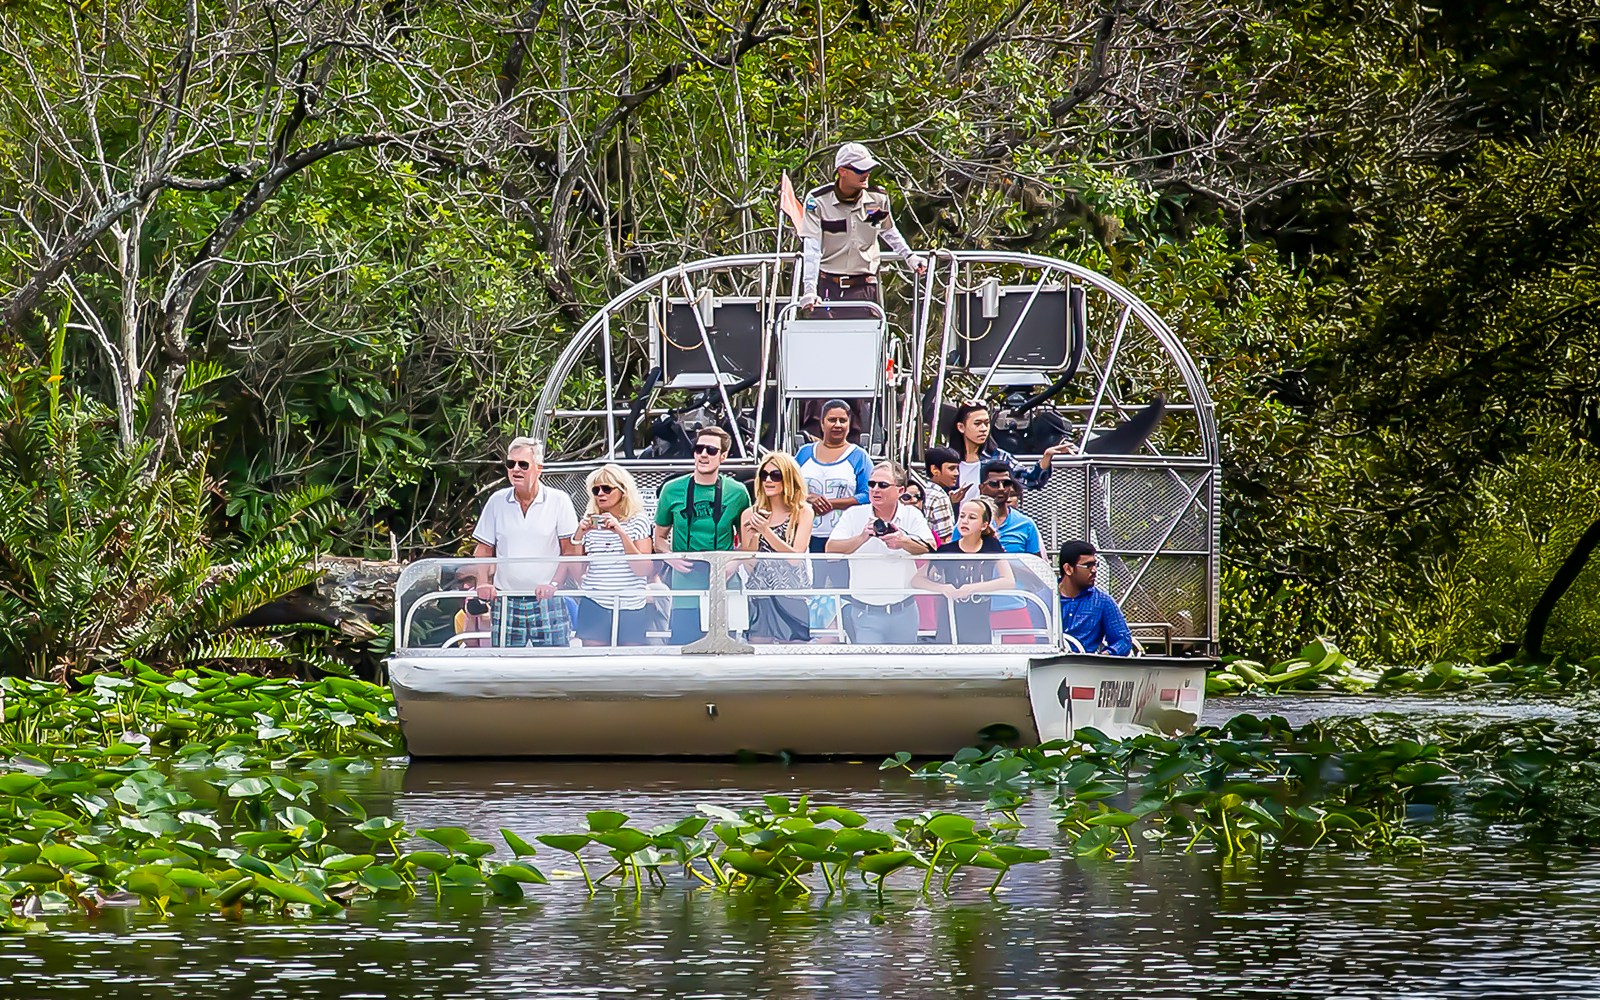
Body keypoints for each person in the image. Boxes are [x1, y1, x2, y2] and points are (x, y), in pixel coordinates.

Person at [797, 142, 928, 317]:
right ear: (842, 171)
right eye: (860, 170)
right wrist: (810, 290)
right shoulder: (818, 201)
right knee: (825, 338)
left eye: (869, 169)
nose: (866, 174)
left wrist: (909, 256)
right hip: (827, 285)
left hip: (863, 285)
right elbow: (812, 247)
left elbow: (887, 230)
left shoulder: (877, 198)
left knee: (863, 337)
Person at [470, 438, 579, 646]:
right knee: (506, 666)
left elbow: (569, 551)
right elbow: (483, 549)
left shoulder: (559, 500)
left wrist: (554, 584)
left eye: (523, 464)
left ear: (539, 469)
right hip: (506, 599)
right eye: (511, 464)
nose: (515, 469)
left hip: (548, 599)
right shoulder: (496, 501)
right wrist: (483, 582)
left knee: (553, 665)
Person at [653, 427, 752, 644]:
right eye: (699, 449)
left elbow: (748, 542)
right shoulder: (672, 489)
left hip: (724, 582)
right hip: (685, 583)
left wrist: (733, 563)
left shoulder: (737, 492)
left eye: (711, 450)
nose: (703, 454)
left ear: (723, 456)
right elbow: (658, 537)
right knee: (685, 649)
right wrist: (670, 557)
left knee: (728, 651)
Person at [826, 461, 935, 643]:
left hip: (904, 610)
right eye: (871, 484)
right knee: (870, 669)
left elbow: (930, 547)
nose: (875, 489)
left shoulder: (912, 515)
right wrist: (862, 537)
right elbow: (830, 551)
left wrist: (903, 541)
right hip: (864, 611)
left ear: (900, 491)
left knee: (903, 669)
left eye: (883, 485)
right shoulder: (853, 514)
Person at [952, 461, 1046, 643]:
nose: (1002, 489)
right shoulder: (963, 525)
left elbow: (1039, 573)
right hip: (972, 607)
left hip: (1012, 605)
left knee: (1020, 661)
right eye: (994, 484)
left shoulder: (1026, 524)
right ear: (981, 488)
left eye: (1007, 483)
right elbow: (953, 566)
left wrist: (1004, 559)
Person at [571, 464, 655, 646]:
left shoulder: (638, 520)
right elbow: (577, 571)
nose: (600, 494)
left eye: (606, 489)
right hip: (595, 601)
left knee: (629, 662)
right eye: (596, 490)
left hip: (630, 602)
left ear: (623, 491)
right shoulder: (589, 523)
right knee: (593, 663)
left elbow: (643, 569)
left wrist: (621, 533)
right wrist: (579, 536)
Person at [915, 497, 1016, 644]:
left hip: (979, 623)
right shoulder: (946, 551)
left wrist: (972, 588)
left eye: (972, 517)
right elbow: (917, 580)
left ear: (984, 525)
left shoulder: (991, 547)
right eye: (962, 516)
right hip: (949, 620)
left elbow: (1008, 581)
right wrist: (942, 588)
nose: (965, 521)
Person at [739, 451, 814, 643]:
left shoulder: (803, 512)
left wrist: (765, 531)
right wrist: (755, 533)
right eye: (764, 475)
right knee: (758, 655)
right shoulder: (750, 514)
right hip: (760, 593)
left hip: (792, 593)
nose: (769, 480)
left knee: (794, 657)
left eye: (776, 475)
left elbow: (795, 558)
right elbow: (749, 563)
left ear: (788, 478)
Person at [796, 399, 871, 586]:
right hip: (808, 538)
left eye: (842, 420)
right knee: (812, 591)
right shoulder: (804, 453)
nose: (837, 425)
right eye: (832, 420)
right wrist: (808, 498)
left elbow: (868, 494)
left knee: (844, 592)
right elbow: (789, 488)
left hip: (843, 539)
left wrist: (833, 503)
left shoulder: (859, 456)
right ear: (822, 423)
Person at [948, 400, 1073, 497]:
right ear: (961, 427)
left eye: (986, 423)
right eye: (977, 423)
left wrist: (1047, 457)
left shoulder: (999, 457)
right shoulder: (948, 459)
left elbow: (1031, 480)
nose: (983, 429)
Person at [1057, 540, 1133, 656]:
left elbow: (1123, 640)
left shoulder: (1103, 601)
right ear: (1068, 569)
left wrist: (1105, 656)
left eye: (1095, 565)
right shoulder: (1046, 598)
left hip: (1087, 669)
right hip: (1049, 666)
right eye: (1088, 565)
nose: (1094, 570)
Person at [918, 445, 960, 544]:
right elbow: (945, 540)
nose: (957, 473)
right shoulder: (939, 497)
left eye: (957, 468)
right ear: (934, 470)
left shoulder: (919, 489)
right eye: (951, 468)